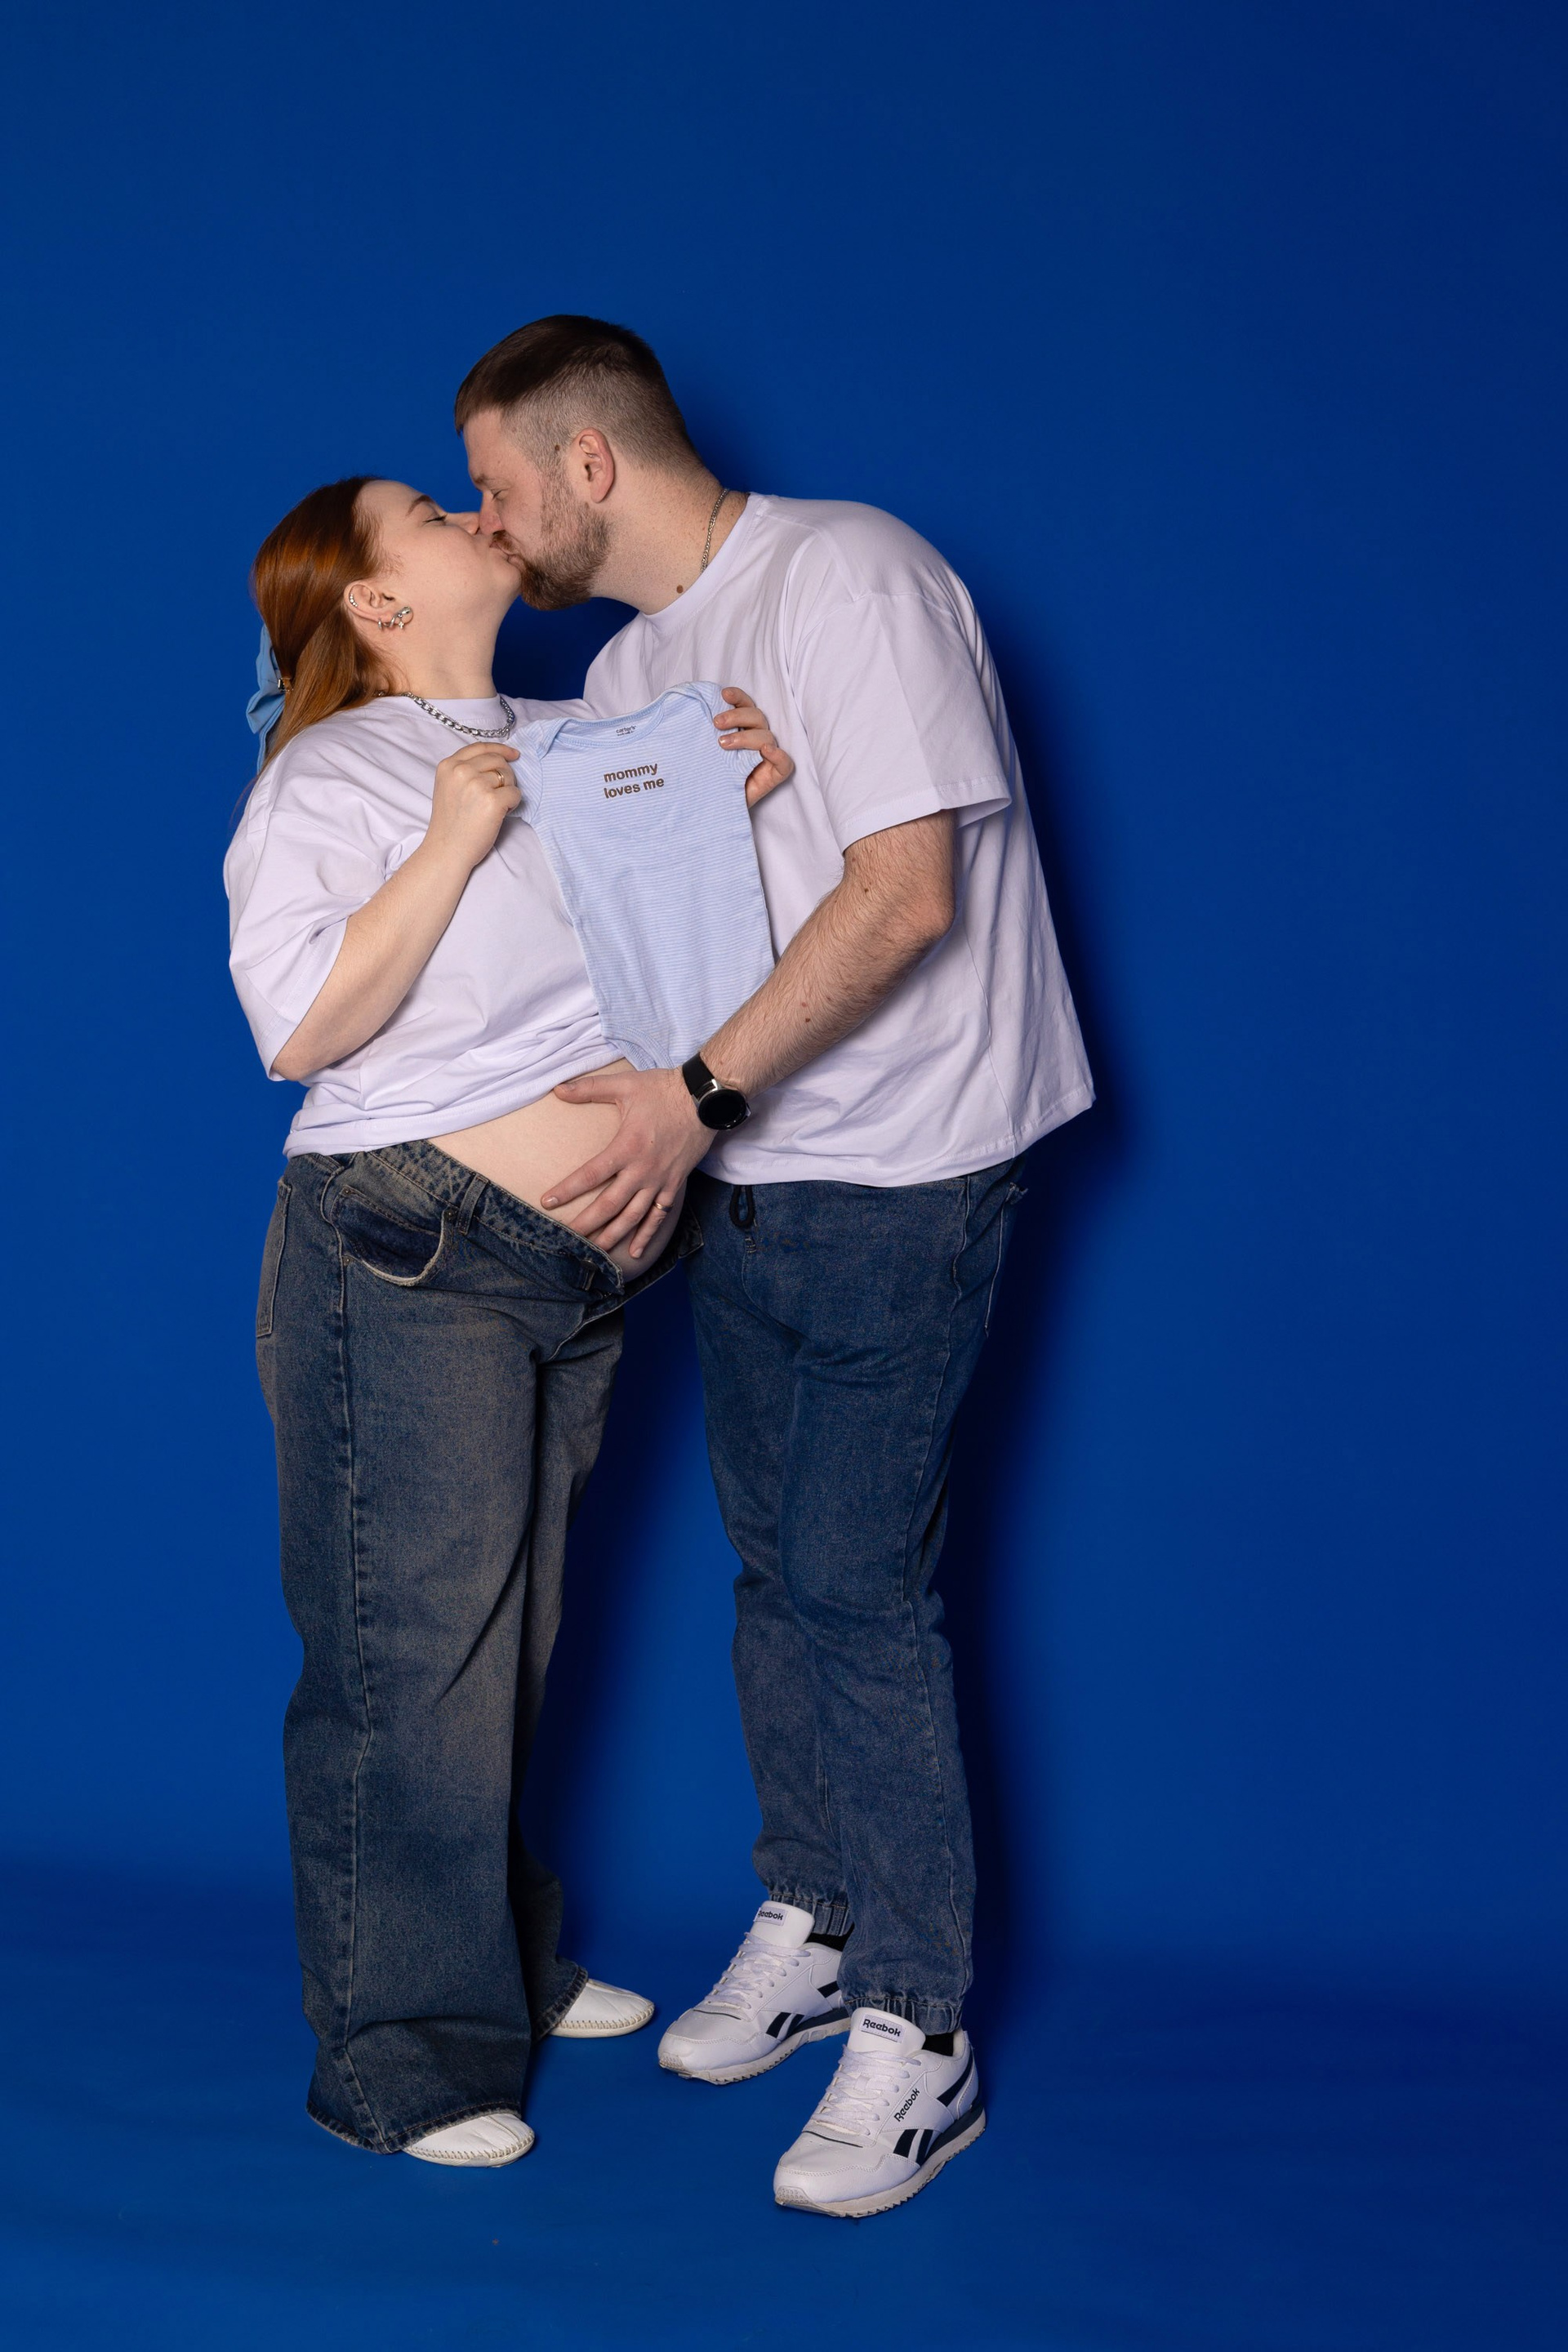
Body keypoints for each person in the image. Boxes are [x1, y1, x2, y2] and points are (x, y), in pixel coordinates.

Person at [456, 317, 1094, 2218]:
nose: (488, 527)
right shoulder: (631, 670)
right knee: (770, 1572)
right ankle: (814, 1914)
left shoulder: (853, 576)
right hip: (737, 1173)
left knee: (853, 1589)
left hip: (903, 1168)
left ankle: (922, 2024)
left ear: (588, 462)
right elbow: (638, 928)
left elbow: (907, 896)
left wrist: (690, 1097)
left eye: (494, 485)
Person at [225, 473, 791, 2167]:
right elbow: (298, 1026)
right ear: (374, 603)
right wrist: (449, 840)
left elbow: (669, 962)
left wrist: (741, 803)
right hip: (404, 1251)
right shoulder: (332, 774)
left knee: (509, 1647)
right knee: (411, 1659)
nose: (468, 511)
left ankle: (507, 1967)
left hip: (581, 1268)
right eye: (423, 509)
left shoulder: (580, 732)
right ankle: (401, 2063)